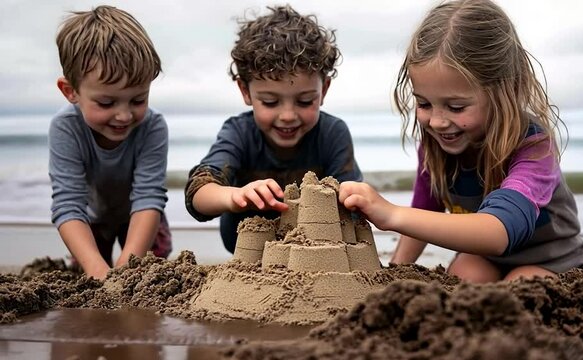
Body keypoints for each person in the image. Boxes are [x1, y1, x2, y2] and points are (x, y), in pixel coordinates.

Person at [339, 0, 583, 282]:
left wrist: (390, 214)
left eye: (456, 107)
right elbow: (425, 212)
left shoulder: (534, 147)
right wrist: (392, 275)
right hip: (487, 257)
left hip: (553, 258)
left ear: (505, 90)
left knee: (522, 285)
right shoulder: (436, 145)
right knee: (463, 276)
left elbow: (498, 232)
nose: (437, 122)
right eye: (425, 104)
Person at [185, 5, 362, 254]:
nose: (288, 116)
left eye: (304, 101)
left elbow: (353, 204)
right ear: (245, 91)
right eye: (270, 102)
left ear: (324, 90)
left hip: (316, 256)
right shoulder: (239, 133)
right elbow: (198, 194)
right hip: (248, 254)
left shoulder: (332, 133)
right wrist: (235, 196)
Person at [49, 5, 171, 280]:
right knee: (90, 274)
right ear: (71, 91)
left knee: (150, 278)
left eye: (138, 100)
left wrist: (126, 269)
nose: (124, 115)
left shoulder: (153, 126)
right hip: (91, 219)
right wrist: (96, 268)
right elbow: (68, 203)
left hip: (141, 219)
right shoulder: (65, 128)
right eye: (106, 102)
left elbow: (149, 197)